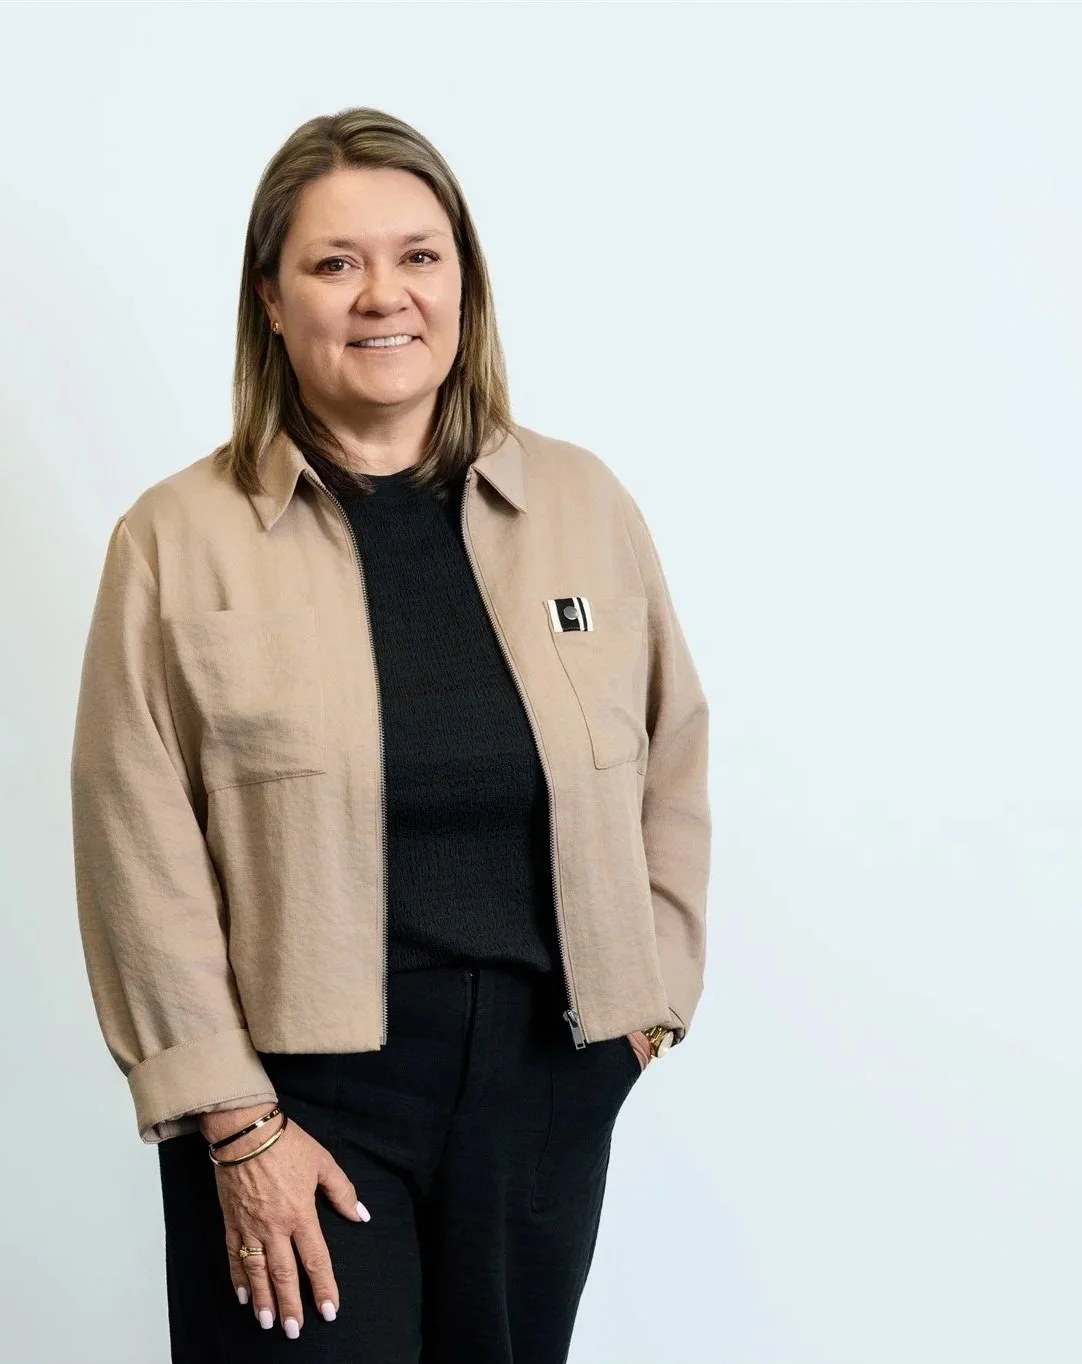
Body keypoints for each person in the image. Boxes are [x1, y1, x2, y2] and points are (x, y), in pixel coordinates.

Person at [70, 106, 711, 1363]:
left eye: (420, 255)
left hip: (545, 1080)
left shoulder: (581, 504)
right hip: (302, 1097)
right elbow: (133, 842)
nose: (385, 296)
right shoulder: (176, 540)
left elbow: (670, 752)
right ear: (271, 297)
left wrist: (648, 1012)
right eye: (335, 262)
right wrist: (236, 1121)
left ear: (463, 281)